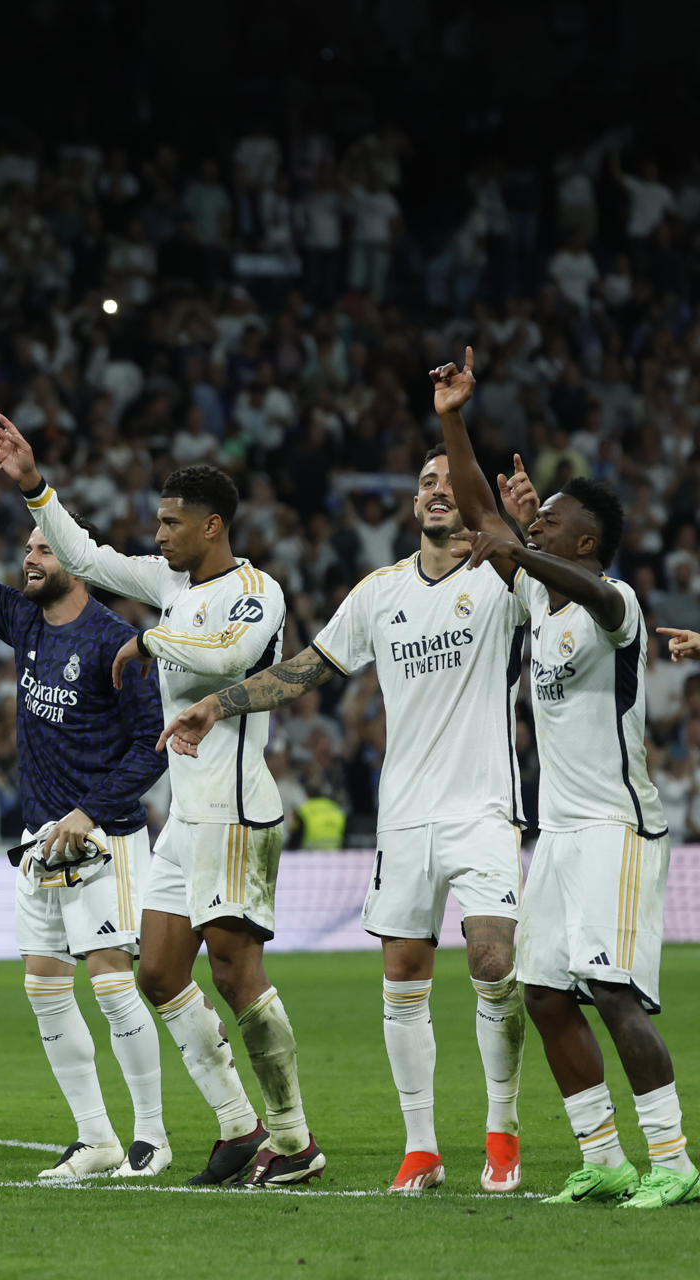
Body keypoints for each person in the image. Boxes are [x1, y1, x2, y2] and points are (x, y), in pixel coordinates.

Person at [159, 442, 530, 1194]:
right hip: (403, 816)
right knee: (402, 977)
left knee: (493, 962)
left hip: (485, 806)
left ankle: (503, 1130)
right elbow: (306, 671)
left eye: (448, 481)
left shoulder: (500, 578)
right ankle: (421, 1149)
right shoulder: (379, 592)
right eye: (423, 481)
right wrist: (217, 701)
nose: (435, 491)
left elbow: (534, 565)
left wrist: (495, 500)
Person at [0, 415, 322, 1187]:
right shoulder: (169, 584)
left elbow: (231, 657)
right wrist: (35, 486)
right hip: (184, 821)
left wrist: (148, 641)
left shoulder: (254, 591)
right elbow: (86, 556)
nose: (158, 534)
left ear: (212, 526)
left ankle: (296, 1140)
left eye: (171, 523)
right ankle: (238, 1127)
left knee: (237, 975)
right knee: (160, 975)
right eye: (158, 522)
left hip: (238, 812)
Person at [434, 348, 697, 1210]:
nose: (533, 525)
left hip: (616, 834)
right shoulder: (535, 609)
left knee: (616, 994)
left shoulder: (616, 606)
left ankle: (673, 1164)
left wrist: (517, 544)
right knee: (543, 994)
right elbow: (484, 518)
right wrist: (453, 420)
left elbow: (538, 560)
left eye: (550, 520)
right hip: (556, 836)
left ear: (583, 542)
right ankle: (604, 1157)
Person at [0, 440, 171, 1180]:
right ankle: (95, 1137)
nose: (28, 558)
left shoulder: (116, 641)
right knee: (43, 985)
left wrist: (90, 814)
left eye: (43, 548)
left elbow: (153, 748)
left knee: (109, 980)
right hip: (42, 841)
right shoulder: (25, 619)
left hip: (106, 839)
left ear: (75, 556)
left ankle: (152, 1137)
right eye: (27, 548)